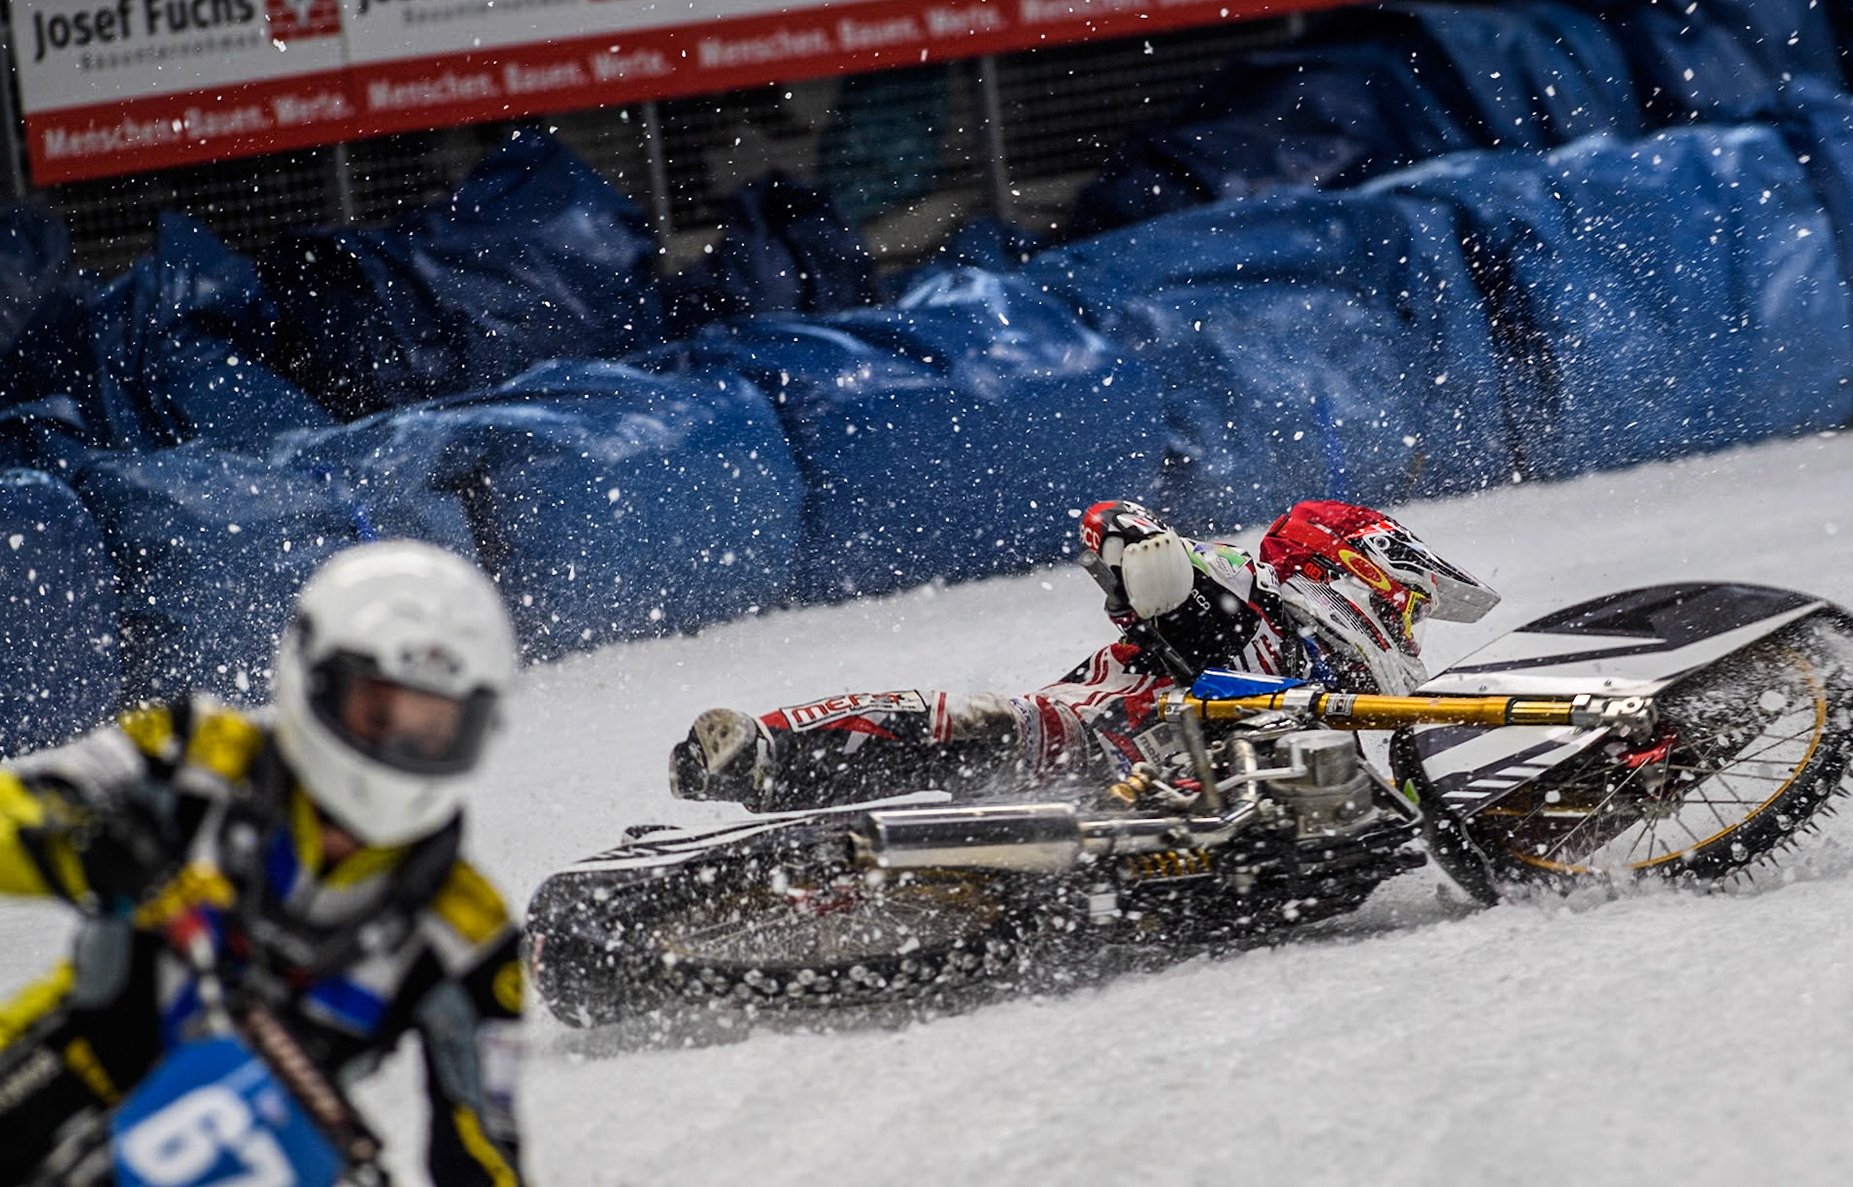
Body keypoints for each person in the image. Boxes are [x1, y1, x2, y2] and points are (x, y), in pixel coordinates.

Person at [0, 540, 528, 1186]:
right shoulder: (194, 750)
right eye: (378, 711)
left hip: (253, 1160)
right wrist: (84, 842)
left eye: (431, 729)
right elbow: (18, 808)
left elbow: (485, 1157)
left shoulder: (469, 934)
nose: (398, 745)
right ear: (317, 678)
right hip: (65, 1074)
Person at [671, 498, 1499, 813]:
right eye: (1411, 601)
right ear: (1359, 568)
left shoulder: (1372, 682)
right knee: (971, 728)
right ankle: (767, 751)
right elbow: (1149, 557)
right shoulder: (1260, 588)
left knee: (980, 750)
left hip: (1206, 787)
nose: (1412, 624)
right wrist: (1145, 554)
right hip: (1115, 732)